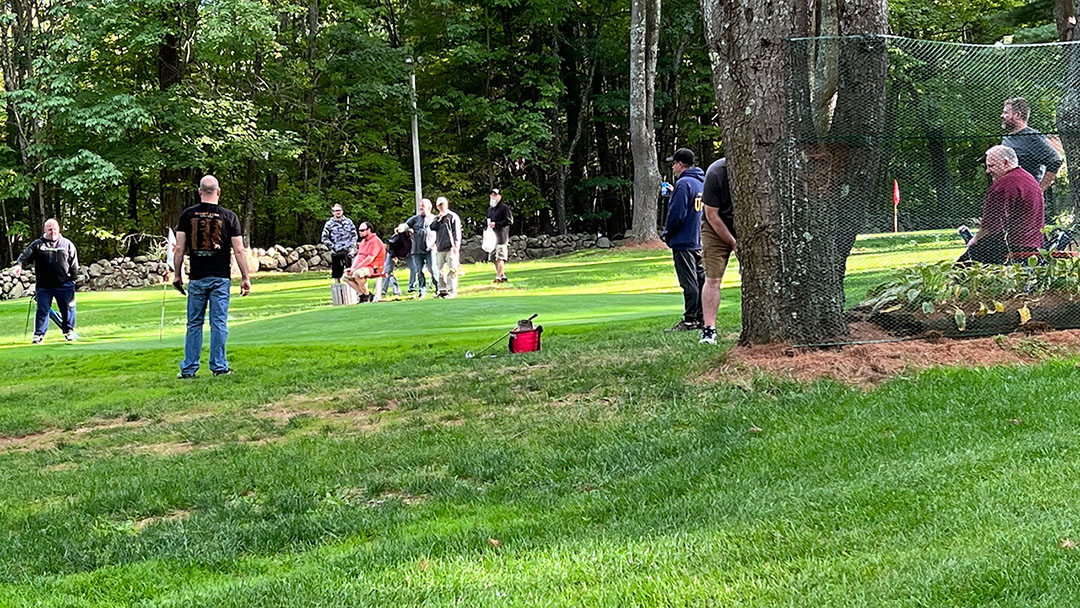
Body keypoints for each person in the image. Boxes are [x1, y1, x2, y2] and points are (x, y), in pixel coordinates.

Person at [173, 175, 251, 378]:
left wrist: (177, 274)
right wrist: (245, 277)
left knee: (194, 324)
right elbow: (239, 250)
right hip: (220, 277)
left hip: (197, 278)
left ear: (200, 192)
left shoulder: (187, 215)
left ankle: (189, 368)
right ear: (218, 192)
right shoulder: (229, 217)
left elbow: (179, 248)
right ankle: (219, 366)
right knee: (218, 323)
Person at [957, 145, 1044, 266]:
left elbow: (992, 225)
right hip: (1032, 244)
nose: (988, 171)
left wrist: (974, 239)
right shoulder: (1028, 178)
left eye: (991, 166)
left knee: (960, 270)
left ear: (1006, 163)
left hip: (1010, 245)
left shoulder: (1005, 184)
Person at [12, 218, 78, 343]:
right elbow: (25, 256)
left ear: (59, 229)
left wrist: (73, 280)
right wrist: (18, 265)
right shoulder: (38, 244)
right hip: (44, 286)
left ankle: (68, 332)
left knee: (68, 309)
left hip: (64, 285)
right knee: (42, 310)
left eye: (54, 229)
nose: (52, 232)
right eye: (49, 229)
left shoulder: (67, 244)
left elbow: (74, 263)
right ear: (44, 230)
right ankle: (38, 336)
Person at [662, 147, 706, 332]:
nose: (672, 167)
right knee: (700, 280)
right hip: (697, 239)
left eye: (673, 163)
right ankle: (702, 317)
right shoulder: (700, 183)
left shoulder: (683, 184)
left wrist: (667, 233)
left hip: (683, 240)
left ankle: (690, 320)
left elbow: (677, 214)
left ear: (680, 164)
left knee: (689, 282)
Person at [697, 158, 737, 345]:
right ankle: (708, 330)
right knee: (713, 279)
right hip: (715, 227)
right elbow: (712, 215)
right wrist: (733, 243)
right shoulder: (716, 172)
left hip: (748, 226)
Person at [1001, 98, 1062, 191]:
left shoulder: (1032, 137)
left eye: (1006, 113)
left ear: (1017, 115)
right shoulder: (1007, 138)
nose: (1002, 116)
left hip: (1026, 195)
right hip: (1009, 193)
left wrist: (1038, 190)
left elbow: (1055, 160)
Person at [343, 221, 385, 302]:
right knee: (345, 276)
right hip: (364, 267)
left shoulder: (375, 241)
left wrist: (356, 269)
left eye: (362, 230)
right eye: (359, 231)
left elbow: (370, 259)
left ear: (369, 230)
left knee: (357, 274)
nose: (360, 233)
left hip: (375, 267)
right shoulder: (363, 242)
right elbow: (359, 256)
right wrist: (352, 268)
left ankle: (366, 296)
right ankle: (363, 295)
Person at [405, 198, 438, 298]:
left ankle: (438, 287)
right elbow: (405, 225)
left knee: (432, 269)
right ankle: (422, 291)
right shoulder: (415, 219)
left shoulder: (435, 219)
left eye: (422, 206)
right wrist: (402, 228)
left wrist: (435, 244)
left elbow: (440, 232)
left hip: (430, 249)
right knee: (419, 271)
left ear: (429, 207)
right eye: (420, 206)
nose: (420, 208)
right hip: (416, 250)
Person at [431, 196, 462, 298]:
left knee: (453, 269)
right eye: (439, 205)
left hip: (450, 247)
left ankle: (451, 290)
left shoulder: (452, 216)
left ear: (446, 204)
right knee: (440, 270)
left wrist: (456, 247)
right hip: (440, 247)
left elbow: (456, 232)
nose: (441, 207)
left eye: (443, 205)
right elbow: (432, 227)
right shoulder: (437, 218)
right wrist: (439, 218)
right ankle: (442, 290)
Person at [320, 203, 357, 284]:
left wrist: (351, 246)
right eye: (335, 211)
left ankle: (353, 292)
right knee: (337, 275)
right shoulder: (329, 224)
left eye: (339, 210)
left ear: (342, 211)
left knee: (351, 273)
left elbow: (354, 235)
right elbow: (324, 238)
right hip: (336, 253)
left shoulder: (349, 222)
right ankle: (338, 293)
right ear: (333, 212)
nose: (337, 212)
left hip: (348, 252)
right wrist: (333, 247)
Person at [485, 188, 513, 283]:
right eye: (491, 195)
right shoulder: (490, 209)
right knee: (493, 258)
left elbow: (509, 221)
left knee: (500, 257)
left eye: (495, 195)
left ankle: (498, 277)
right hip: (492, 237)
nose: (493, 197)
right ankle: (502, 275)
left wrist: (497, 224)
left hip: (501, 236)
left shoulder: (504, 208)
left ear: (499, 196)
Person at [381, 223, 412, 298]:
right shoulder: (395, 237)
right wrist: (393, 256)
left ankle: (412, 287)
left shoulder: (410, 236)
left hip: (407, 254)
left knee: (414, 268)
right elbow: (391, 247)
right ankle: (383, 291)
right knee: (387, 271)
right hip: (393, 254)